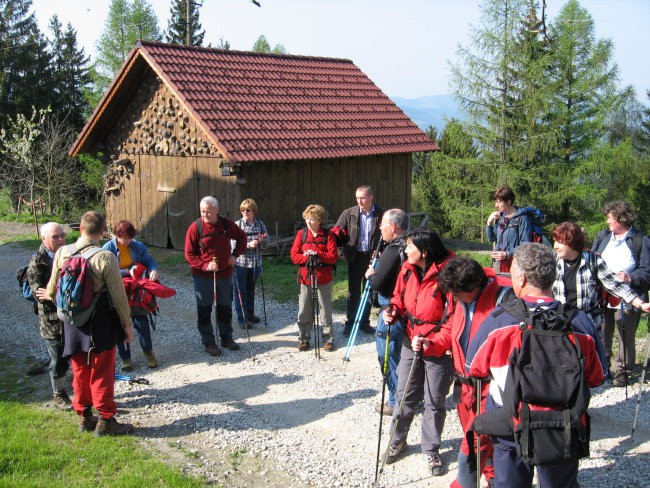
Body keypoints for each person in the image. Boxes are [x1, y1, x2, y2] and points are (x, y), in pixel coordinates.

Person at [466, 243, 607, 488]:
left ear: (521, 277)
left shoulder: (500, 321)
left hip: (512, 422)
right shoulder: (579, 321)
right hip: (562, 426)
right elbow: (598, 377)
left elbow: (474, 368)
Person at [46, 211, 136, 436]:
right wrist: (127, 325)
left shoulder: (63, 252)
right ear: (102, 230)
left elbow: (51, 290)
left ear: (80, 229)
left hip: (71, 324)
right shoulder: (105, 257)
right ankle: (106, 421)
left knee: (79, 370)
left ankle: (84, 417)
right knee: (102, 371)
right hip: (99, 324)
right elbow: (118, 297)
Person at [381, 229, 454, 476]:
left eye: (409, 246)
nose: (405, 251)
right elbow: (398, 299)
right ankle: (397, 440)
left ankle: (431, 449)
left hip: (438, 348)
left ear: (424, 251)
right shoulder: (407, 269)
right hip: (410, 341)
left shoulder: (448, 276)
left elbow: (454, 320)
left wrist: (432, 343)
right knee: (404, 396)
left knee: (434, 401)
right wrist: (392, 311)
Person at [438, 257, 513, 488]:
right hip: (465, 386)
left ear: (474, 287)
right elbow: (451, 329)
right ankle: (491, 477)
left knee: (473, 443)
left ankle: (467, 483)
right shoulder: (461, 298)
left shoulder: (504, 300)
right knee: (479, 441)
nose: (454, 298)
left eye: (458, 294)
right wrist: (431, 342)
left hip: (490, 387)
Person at [551, 222, 650, 367]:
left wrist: (640, 303)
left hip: (586, 323)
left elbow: (615, 286)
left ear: (571, 242)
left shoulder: (592, 260)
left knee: (584, 366)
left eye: (559, 242)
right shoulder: (553, 260)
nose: (555, 246)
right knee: (563, 366)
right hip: (560, 322)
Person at [591, 201, 650, 386]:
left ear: (620, 218)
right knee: (603, 331)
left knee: (625, 333)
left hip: (628, 295)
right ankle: (604, 365)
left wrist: (629, 277)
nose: (607, 221)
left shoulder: (641, 240)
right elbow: (592, 258)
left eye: (610, 217)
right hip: (602, 294)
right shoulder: (603, 237)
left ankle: (623, 371)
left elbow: (647, 272)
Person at [185, 196, 247, 356]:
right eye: (202, 211)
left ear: (217, 211)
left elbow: (242, 238)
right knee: (205, 308)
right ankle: (209, 342)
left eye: (208, 212)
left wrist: (234, 256)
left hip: (225, 274)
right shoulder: (195, 228)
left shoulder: (226, 224)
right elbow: (189, 255)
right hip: (203, 276)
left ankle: (226, 338)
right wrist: (205, 265)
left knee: (225, 307)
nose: (205, 215)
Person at [365, 208, 409, 416]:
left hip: (391, 311)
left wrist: (370, 275)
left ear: (393, 226)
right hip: (409, 310)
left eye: (383, 224)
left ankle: (395, 401)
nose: (380, 227)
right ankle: (407, 397)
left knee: (388, 356)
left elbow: (378, 283)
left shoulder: (393, 250)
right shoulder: (412, 246)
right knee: (403, 356)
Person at [102, 220, 160, 370]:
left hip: (136, 291)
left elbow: (150, 261)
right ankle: (125, 358)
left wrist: (153, 269)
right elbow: (104, 271)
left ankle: (148, 353)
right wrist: (126, 272)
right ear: (117, 235)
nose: (128, 241)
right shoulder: (107, 249)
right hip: (117, 289)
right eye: (125, 239)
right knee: (120, 323)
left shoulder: (138, 246)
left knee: (142, 321)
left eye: (130, 238)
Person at [26, 222, 71, 409]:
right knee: (58, 358)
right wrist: (62, 296)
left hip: (70, 316)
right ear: (44, 239)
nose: (61, 239)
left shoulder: (68, 253)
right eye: (55, 237)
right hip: (51, 321)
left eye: (62, 235)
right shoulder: (38, 262)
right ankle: (58, 394)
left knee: (70, 355)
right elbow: (40, 294)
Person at [336, 185, 384, 336]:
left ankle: (364, 323)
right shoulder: (349, 213)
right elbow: (336, 234)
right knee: (353, 292)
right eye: (357, 198)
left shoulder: (382, 214)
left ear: (371, 197)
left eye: (362, 198)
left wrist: (383, 252)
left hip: (372, 258)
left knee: (369, 291)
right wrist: (341, 253)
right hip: (355, 257)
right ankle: (350, 324)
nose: (360, 201)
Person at [290, 204, 338, 352]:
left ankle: (328, 339)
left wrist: (317, 254)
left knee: (325, 309)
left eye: (312, 219)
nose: (309, 222)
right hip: (305, 278)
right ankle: (304, 338)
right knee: (304, 310)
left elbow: (333, 257)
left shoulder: (328, 235)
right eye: (307, 219)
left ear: (319, 220)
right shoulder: (301, 234)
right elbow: (294, 255)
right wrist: (306, 257)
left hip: (323, 278)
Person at [232, 198, 268, 329]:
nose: (245, 212)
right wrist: (248, 245)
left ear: (254, 211)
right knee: (241, 292)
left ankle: (250, 314)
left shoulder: (260, 224)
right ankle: (242, 318)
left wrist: (262, 241)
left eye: (248, 210)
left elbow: (266, 242)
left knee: (251, 290)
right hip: (241, 264)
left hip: (255, 264)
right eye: (242, 210)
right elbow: (232, 245)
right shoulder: (237, 225)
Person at [485, 185, 532, 272]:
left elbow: (526, 244)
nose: (496, 205)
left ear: (509, 202)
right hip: (498, 265)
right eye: (496, 202)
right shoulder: (500, 217)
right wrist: (489, 223)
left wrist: (507, 254)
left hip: (515, 266)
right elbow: (492, 239)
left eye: (499, 202)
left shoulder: (522, 218)